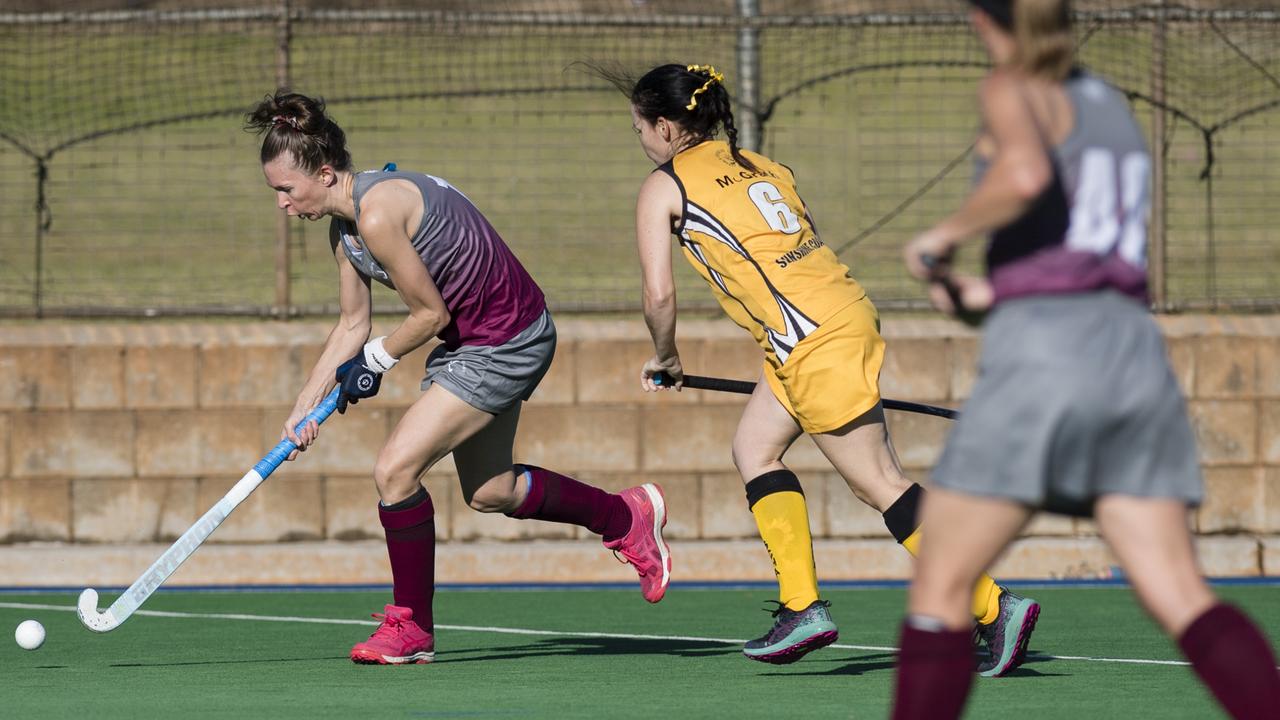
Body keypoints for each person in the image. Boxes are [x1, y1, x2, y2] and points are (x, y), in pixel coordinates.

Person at [893, 2, 1280, 718]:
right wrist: (987, 293)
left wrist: (939, 240)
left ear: (985, 20)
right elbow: (1086, 255)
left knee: (942, 587)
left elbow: (1024, 175)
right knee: (1181, 592)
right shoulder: (1109, 101)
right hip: (1130, 354)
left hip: (1046, 357)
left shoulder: (1012, 85)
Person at [600, 62, 1038, 672]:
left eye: (641, 128)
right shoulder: (761, 165)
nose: (642, 140)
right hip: (834, 316)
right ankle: (802, 608)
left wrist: (667, 356)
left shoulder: (664, 185)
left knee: (878, 481)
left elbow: (659, 296)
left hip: (810, 339)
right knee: (755, 449)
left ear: (668, 127)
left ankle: (994, 605)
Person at [245, 91, 672, 665]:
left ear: (323, 173)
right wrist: (303, 408)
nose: (281, 203)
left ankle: (412, 627)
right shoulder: (345, 231)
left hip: (505, 339)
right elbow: (352, 324)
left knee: (394, 470)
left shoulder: (377, 213)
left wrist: (375, 363)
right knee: (490, 490)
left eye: (285, 189)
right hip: (473, 342)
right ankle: (627, 516)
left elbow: (429, 315)